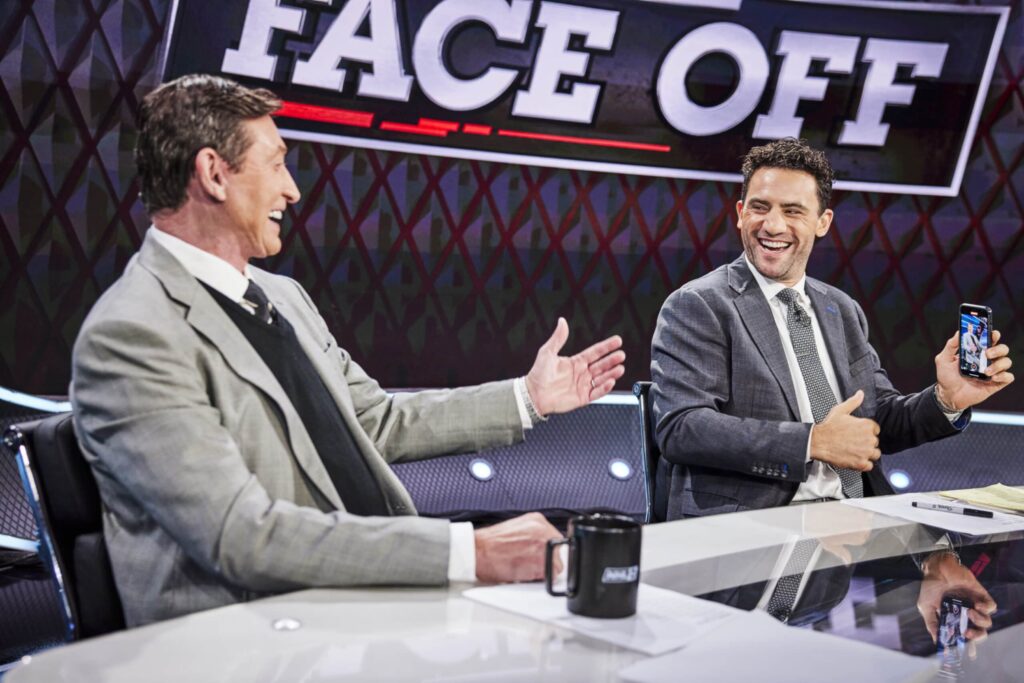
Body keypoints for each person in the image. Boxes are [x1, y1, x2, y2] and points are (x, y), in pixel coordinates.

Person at [70, 75, 626, 627]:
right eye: (276, 164)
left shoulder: (281, 296)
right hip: (259, 637)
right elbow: (240, 535)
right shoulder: (132, 335)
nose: (292, 190)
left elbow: (374, 420)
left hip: (370, 601)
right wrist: (469, 554)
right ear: (214, 174)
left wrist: (526, 398)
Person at [650, 138, 1014, 520]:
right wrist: (811, 442)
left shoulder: (840, 309)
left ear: (823, 222)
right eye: (760, 207)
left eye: (793, 211)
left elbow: (878, 425)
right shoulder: (700, 304)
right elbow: (683, 428)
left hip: (853, 526)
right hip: (752, 527)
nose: (772, 225)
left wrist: (947, 399)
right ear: (741, 213)